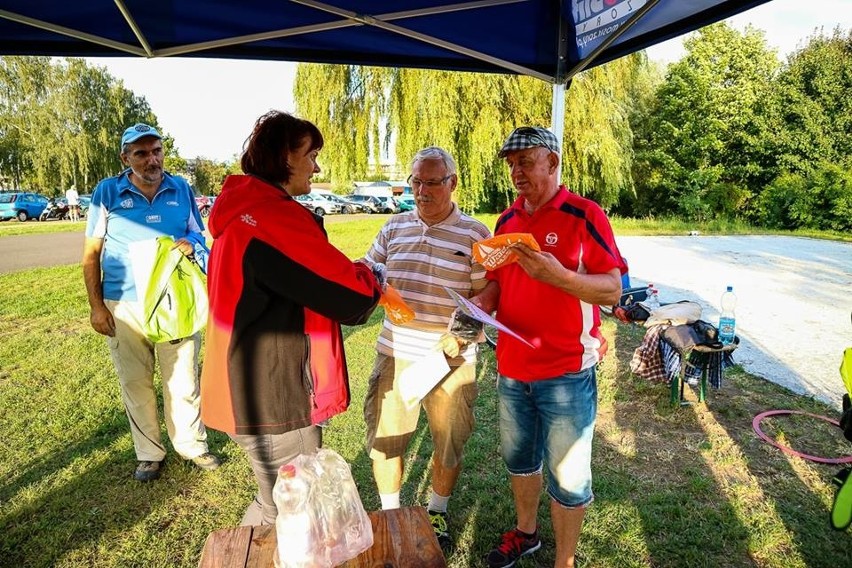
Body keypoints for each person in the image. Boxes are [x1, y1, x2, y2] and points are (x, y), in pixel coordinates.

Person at [199, 111, 383, 526]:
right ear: (285, 156)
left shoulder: (241, 211)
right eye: (311, 154)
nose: (317, 167)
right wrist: (375, 276)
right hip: (272, 396)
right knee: (297, 509)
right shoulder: (272, 218)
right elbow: (348, 297)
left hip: (242, 386)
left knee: (275, 503)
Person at [471, 127, 625, 568]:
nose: (516, 171)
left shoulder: (584, 215)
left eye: (526, 161)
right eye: (511, 164)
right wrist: (480, 304)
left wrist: (560, 277)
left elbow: (613, 290)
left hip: (566, 372)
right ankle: (526, 533)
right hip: (512, 367)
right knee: (520, 461)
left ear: (553, 162)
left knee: (569, 478)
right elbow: (498, 284)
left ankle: (565, 560)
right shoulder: (506, 221)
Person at [362, 146, 491, 549]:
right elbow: (368, 274)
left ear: (452, 183)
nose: (421, 191)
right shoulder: (393, 227)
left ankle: (436, 512)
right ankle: (390, 515)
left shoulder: (475, 234)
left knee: (448, 441)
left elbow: (487, 295)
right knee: (386, 439)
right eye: (415, 182)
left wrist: (461, 336)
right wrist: (371, 288)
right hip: (396, 352)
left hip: (451, 357)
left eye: (431, 183)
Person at [82, 123, 221, 483]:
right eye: (141, 153)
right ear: (125, 158)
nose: (151, 159)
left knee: (183, 377)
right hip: (124, 302)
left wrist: (192, 243)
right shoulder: (106, 193)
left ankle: (192, 445)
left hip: (174, 299)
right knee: (135, 380)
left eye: (156, 150)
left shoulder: (181, 188)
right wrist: (97, 306)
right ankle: (148, 454)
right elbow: (91, 254)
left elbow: (198, 233)